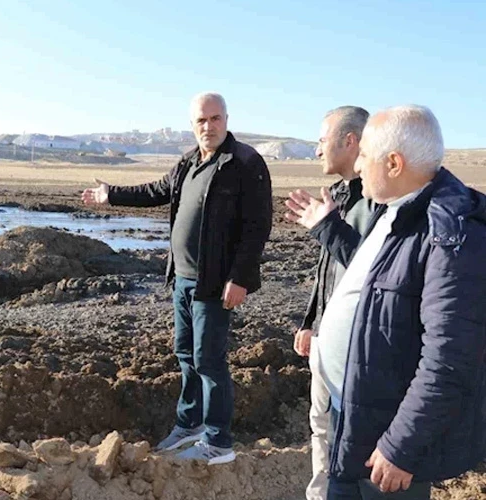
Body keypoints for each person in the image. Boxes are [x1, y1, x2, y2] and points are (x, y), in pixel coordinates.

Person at [285, 105, 486, 499]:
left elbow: (449, 360)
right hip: (355, 414)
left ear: (393, 163)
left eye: (365, 155)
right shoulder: (396, 213)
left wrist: (401, 447)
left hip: (388, 441)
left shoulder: (449, 235)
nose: (358, 165)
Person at [82, 92, 272, 464]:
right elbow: (157, 190)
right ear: (192, 125)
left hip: (216, 283)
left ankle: (218, 442)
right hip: (183, 279)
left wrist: (241, 277)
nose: (209, 126)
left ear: (227, 119)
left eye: (215, 118)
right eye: (201, 120)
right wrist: (111, 194)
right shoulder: (189, 162)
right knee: (186, 354)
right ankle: (190, 426)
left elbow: (257, 227)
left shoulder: (245, 162)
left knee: (210, 360)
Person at [287, 106, 375, 500]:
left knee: (345, 434)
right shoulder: (339, 195)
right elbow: (328, 269)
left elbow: (374, 269)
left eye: (323, 141)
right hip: (326, 337)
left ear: (350, 141)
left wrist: (328, 227)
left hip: (355, 348)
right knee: (320, 428)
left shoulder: (376, 201)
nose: (318, 151)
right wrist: (310, 322)